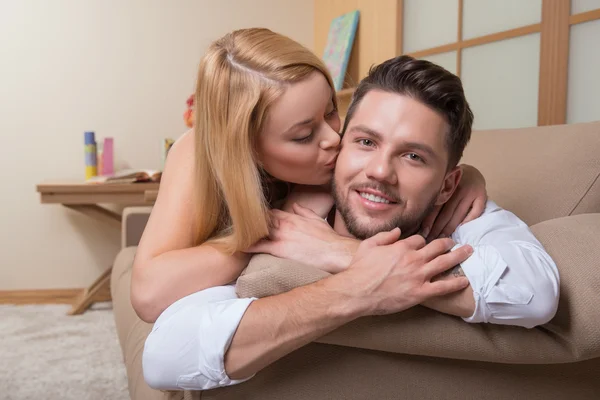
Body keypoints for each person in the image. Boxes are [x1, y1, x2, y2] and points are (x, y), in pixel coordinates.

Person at [141, 55, 560, 391]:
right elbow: (164, 354)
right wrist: (352, 289)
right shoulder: (282, 208)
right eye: (365, 141)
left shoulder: (460, 208)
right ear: (342, 150)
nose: (380, 170)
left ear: (448, 183)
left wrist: (343, 256)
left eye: (414, 156)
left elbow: (533, 293)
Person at [131, 28, 487, 323]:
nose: (334, 139)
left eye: (332, 111)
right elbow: (149, 294)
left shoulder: (331, 157)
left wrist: (465, 175)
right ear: (246, 149)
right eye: (304, 136)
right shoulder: (197, 154)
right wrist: (271, 228)